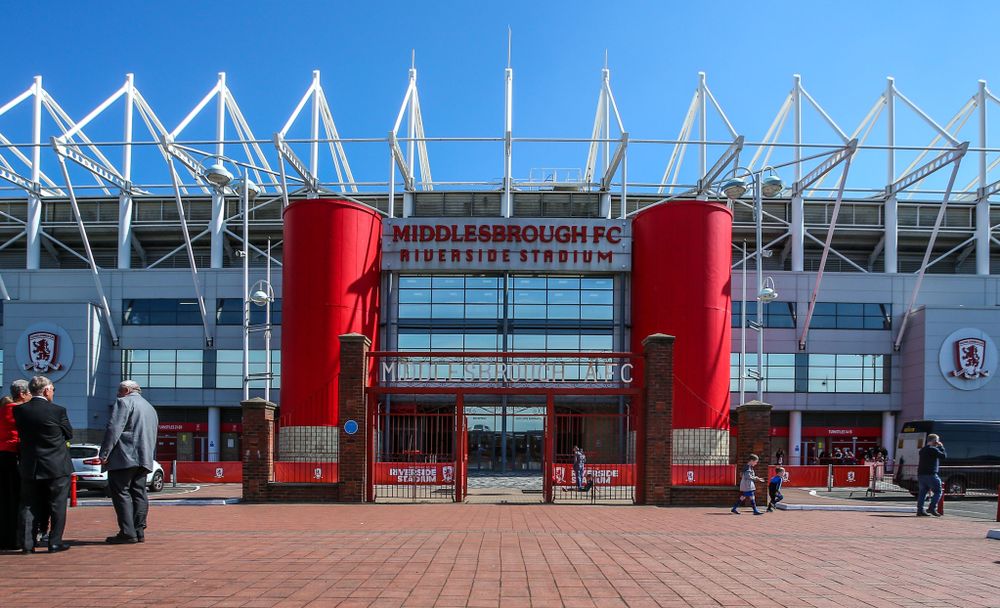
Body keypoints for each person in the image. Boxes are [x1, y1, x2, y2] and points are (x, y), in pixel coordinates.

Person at [13, 376, 73, 553]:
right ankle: (54, 542)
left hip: (30, 464)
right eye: (53, 389)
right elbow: (68, 434)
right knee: (57, 504)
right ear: (47, 390)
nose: (53, 392)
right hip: (56, 465)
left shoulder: (20, 411)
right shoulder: (57, 410)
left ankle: (27, 544)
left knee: (28, 504)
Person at [100, 380, 159, 544]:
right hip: (144, 458)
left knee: (121, 492)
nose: (117, 395)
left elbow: (113, 429)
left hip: (124, 457)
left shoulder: (123, 402)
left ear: (125, 390)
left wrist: (104, 453)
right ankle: (138, 530)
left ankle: (127, 532)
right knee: (139, 492)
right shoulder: (150, 408)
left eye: (119, 391)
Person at [0, 379, 31, 550]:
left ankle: (4, 536)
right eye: (29, 394)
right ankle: (16, 538)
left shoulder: (3, 409)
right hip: (14, 455)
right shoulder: (20, 411)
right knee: (18, 498)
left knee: (4, 498)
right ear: (22, 394)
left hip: (2, 454)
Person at [916, 433, 947, 517]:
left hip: (921, 474)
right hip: (931, 474)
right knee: (938, 491)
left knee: (922, 492)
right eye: (937, 440)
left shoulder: (922, 450)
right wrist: (941, 447)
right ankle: (932, 508)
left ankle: (920, 510)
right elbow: (944, 456)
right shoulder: (934, 450)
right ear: (935, 441)